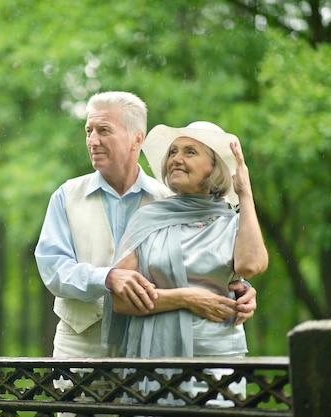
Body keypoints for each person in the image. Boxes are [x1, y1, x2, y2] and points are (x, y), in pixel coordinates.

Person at [35, 92, 258, 361]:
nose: (92, 141)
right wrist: (107, 277)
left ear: (136, 139)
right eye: (88, 131)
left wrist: (237, 285)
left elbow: (196, 259)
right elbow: (53, 268)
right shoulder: (67, 195)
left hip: (148, 346)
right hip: (81, 348)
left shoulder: (170, 199)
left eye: (103, 130)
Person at [107, 121, 268, 405]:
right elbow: (121, 301)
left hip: (219, 362)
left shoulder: (232, 223)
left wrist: (245, 193)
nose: (176, 159)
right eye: (172, 152)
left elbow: (251, 266)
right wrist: (185, 298)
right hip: (156, 362)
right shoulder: (147, 220)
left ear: (214, 167)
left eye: (190, 151)